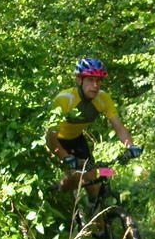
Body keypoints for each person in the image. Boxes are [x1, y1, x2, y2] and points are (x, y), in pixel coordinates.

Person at [46, 57, 142, 201]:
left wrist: (130, 146)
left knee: (93, 182)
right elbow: (50, 138)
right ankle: (56, 195)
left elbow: (119, 127)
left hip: (77, 140)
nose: (95, 85)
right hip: (58, 142)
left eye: (98, 80)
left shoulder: (103, 98)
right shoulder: (64, 99)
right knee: (77, 176)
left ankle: (97, 216)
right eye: (91, 80)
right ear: (79, 80)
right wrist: (65, 156)